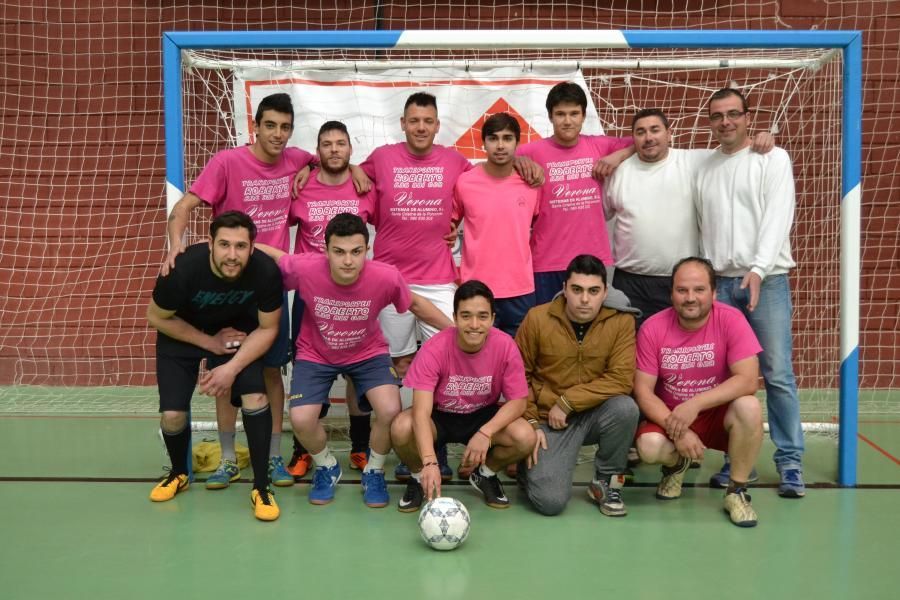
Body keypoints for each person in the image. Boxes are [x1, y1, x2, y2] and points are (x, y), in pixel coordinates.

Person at [360, 92, 541, 481]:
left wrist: (525, 161)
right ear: (403, 123)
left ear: (438, 125)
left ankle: (474, 441)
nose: (421, 127)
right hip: (391, 280)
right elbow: (341, 168)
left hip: (440, 278)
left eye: (428, 120)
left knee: (464, 344)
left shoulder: (456, 163)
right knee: (402, 365)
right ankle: (422, 454)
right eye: (414, 120)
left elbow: (493, 174)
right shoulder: (381, 158)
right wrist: (311, 167)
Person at [162, 93, 315, 489]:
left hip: (268, 286)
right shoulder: (227, 162)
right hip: (229, 286)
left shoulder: (297, 159)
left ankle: (275, 458)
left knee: (270, 371)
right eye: (270, 126)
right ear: (256, 127)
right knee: (223, 366)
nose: (278, 134)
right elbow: (183, 208)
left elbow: (325, 159)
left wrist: (320, 167)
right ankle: (229, 458)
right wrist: (175, 246)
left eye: (285, 127)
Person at [254, 213, 453, 508]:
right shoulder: (307, 268)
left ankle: (373, 471)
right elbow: (278, 256)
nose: (348, 261)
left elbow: (418, 305)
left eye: (356, 252)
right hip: (315, 354)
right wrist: (245, 243)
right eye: (339, 252)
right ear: (326, 251)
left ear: (367, 250)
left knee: (389, 409)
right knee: (300, 419)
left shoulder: (384, 276)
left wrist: (454, 332)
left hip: (367, 353)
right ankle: (326, 465)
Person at [695, 88, 805, 498]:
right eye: (717, 116)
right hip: (721, 284)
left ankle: (790, 461)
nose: (726, 122)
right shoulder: (704, 167)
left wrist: (758, 270)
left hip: (767, 280)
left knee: (777, 373)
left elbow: (779, 217)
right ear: (709, 122)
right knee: (728, 378)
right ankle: (737, 460)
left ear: (747, 117)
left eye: (733, 114)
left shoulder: (772, 158)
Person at [147, 211, 282, 521]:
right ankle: (179, 473)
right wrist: (209, 343)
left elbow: (268, 329)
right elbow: (156, 317)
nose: (232, 255)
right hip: (182, 331)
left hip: (236, 331)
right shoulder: (181, 270)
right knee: (172, 415)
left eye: (240, 246)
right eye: (224, 245)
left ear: (252, 247)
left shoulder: (265, 272)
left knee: (256, 397)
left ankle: (261, 487)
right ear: (209, 243)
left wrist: (231, 367)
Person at [605, 108, 775, 329]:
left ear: (669, 133)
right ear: (633, 137)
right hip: (630, 281)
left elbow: (735, 151)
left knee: (681, 353)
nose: (648, 137)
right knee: (632, 355)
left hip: (681, 283)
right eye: (641, 132)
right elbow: (598, 216)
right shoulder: (618, 172)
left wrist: (761, 138)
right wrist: (620, 155)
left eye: (655, 130)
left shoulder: (696, 162)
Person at [633, 257, 764, 527]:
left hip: (716, 414)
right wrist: (677, 429)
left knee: (749, 407)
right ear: (671, 293)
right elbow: (643, 393)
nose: (690, 298)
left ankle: (736, 492)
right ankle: (675, 466)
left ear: (714, 293)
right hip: (671, 415)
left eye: (699, 290)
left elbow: (748, 379)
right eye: (682, 290)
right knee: (648, 447)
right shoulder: (652, 328)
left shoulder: (730, 319)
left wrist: (695, 404)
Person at [390, 280, 536, 512]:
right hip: (440, 416)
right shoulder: (434, 349)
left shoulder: (505, 346)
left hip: (482, 415)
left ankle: (485, 474)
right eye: (466, 316)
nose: (474, 325)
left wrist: (486, 432)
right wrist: (429, 461)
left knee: (525, 436)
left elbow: (518, 401)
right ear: (455, 318)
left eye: (482, 316)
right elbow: (421, 412)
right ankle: (418, 477)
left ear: (492, 318)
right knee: (401, 427)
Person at [515, 254, 639, 517]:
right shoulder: (537, 319)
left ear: (605, 292)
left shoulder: (621, 321)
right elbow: (517, 377)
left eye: (593, 291)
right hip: (549, 420)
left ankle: (606, 481)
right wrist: (531, 422)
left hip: (594, 414)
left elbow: (621, 378)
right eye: (577, 290)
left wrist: (569, 401)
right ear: (564, 289)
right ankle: (529, 472)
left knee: (626, 408)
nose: (585, 299)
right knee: (550, 503)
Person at [285, 121, 376, 479]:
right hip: (311, 297)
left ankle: (359, 446)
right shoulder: (301, 188)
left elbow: (394, 225)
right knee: (305, 368)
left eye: (341, 144)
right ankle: (302, 449)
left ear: (351, 149)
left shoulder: (364, 187)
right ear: (317, 151)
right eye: (327, 144)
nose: (334, 150)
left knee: (358, 368)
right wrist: (304, 169)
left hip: (357, 294)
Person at [516, 82, 634, 304]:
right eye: (560, 114)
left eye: (574, 114)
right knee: (550, 329)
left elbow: (640, 142)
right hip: (547, 260)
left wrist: (617, 156)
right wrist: (518, 160)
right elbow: (501, 160)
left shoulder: (600, 146)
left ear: (583, 115)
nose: (567, 121)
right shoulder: (530, 151)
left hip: (592, 259)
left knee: (590, 332)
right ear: (550, 117)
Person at [451, 112, 541, 337]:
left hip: (519, 289)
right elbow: (447, 227)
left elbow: (542, 227)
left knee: (517, 359)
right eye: (493, 138)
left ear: (517, 143)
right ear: (483, 143)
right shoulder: (465, 182)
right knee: (478, 360)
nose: (500, 145)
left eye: (507, 138)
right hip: (476, 290)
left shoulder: (531, 182)